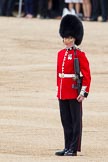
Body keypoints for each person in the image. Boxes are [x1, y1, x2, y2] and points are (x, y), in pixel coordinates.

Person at [55, 14, 91, 156]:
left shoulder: (79, 54)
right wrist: (59, 90)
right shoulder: (60, 54)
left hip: (74, 91)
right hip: (63, 92)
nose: (66, 40)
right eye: (65, 37)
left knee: (76, 122)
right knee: (66, 121)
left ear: (75, 38)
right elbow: (59, 75)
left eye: (69, 37)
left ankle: (74, 148)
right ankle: (67, 146)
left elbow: (86, 75)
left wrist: (83, 92)